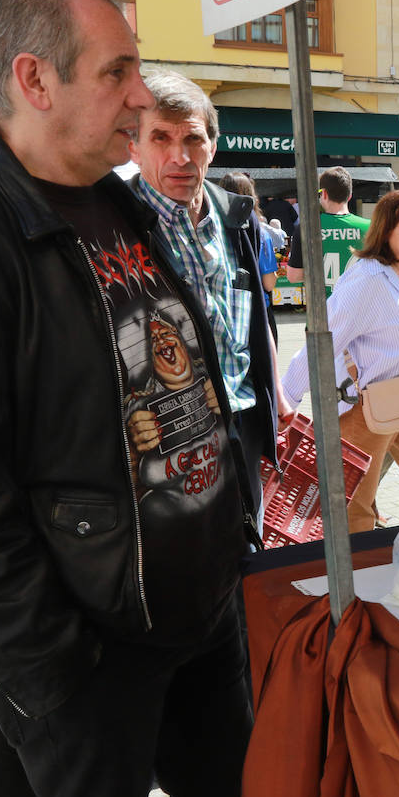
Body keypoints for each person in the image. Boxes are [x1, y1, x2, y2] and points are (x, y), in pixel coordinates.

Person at [0, 0, 255, 797]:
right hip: (90, 637)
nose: (139, 94)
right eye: (116, 70)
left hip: (201, 607)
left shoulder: (122, 203)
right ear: (34, 80)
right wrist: (53, 670)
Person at [128, 71, 285, 512]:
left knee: (248, 551)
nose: (180, 156)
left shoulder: (239, 217)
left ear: (212, 147)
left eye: (193, 139)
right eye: (160, 138)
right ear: (133, 147)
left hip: (243, 421)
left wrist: (279, 397)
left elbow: (257, 317)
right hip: (168, 442)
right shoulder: (116, 227)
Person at [281, 188, 399, 531]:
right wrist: (286, 400)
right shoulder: (367, 279)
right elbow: (323, 339)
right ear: (385, 231)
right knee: (355, 509)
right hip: (365, 409)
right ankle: (354, 581)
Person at [285, 165, 369, 291]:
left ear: (323, 194)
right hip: (361, 306)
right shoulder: (370, 227)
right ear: (350, 195)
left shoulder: (307, 228)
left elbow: (293, 276)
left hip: (323, 307)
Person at [219, 171, 280, 337]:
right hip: (256, 313)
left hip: (222, 313)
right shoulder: (261, 234)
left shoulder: (213, 229)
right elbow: (269, 283)